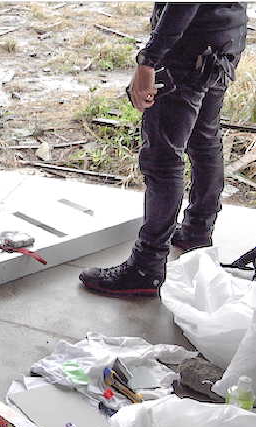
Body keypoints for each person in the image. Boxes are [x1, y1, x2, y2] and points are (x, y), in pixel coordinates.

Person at [80, 2, 248, 297]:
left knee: (163, 158)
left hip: (187, 50)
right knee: (205, 141)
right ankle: (197, 231)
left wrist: (148, 60)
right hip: (224, 40)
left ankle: (146, 266)